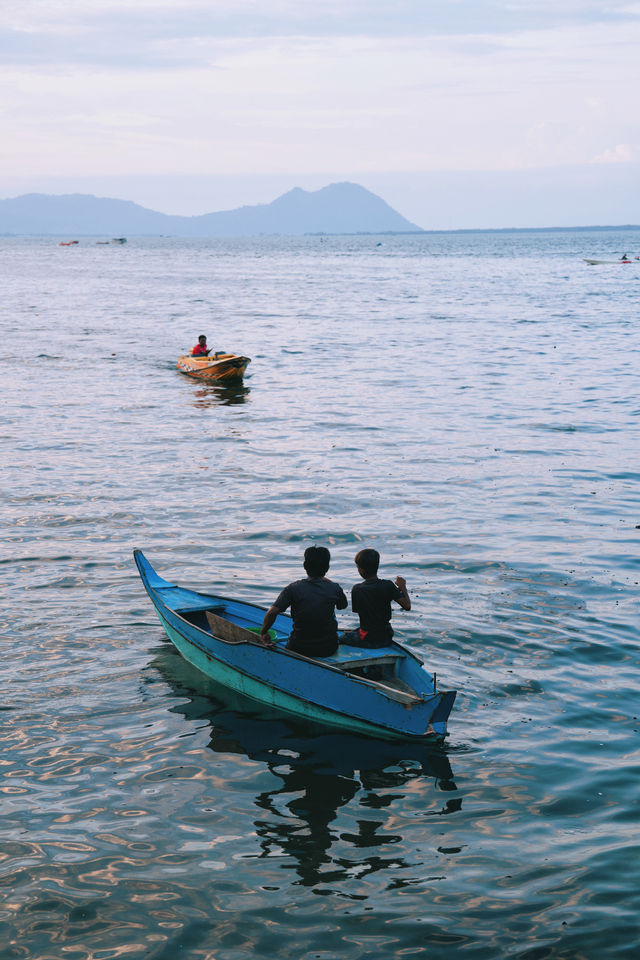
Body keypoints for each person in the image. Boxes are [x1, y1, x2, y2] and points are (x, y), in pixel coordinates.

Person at [260, 546, 347, 657]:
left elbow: (272, 612)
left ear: (305, 566)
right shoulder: (334, 588)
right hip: (328, 648)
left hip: (298, 647)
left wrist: (263, 632)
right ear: (327, 568)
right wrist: (329, 583)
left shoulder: (293, 588)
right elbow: (342, 606)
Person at [341, 548, 411, 649]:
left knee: (342, 638)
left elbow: (362, 614)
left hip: (367, 638)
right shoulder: (388, 585)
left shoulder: (357, 589)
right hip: (386, 636)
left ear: (361, 570)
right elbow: (407, 606)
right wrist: (403, 587)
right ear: (377, 566)